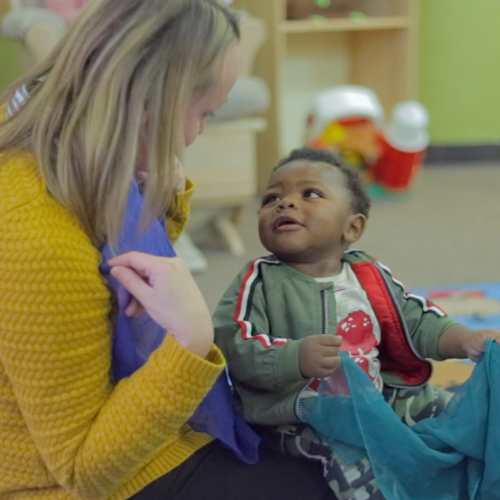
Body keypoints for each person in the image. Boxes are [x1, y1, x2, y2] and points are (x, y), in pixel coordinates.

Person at [0, 2, 337, 499]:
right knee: (331, 483)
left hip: (129, 424)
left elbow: (120, 291)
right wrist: (189, 344)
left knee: (332, 450)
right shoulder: (37, 238)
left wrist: (159, 201)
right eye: (204, 112)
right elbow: (84, 471)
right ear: (147, 104)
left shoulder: (80, 160)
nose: (196, 133)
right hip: (65, 481)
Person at [213, 147, 500, 499]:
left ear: (352, 226)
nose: (285, 203)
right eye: (272, 196)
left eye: (310, 194)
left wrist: (465, 339)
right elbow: (231, 341)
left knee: (455, 417)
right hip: (301, 416)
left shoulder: (368, 274)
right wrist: (294, 357)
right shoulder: (259, 279)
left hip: (379, 399)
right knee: (357, 466)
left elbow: (415, 318)